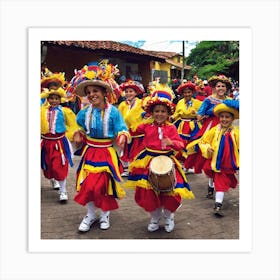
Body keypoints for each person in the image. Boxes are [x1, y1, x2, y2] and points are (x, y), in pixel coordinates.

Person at [125, 86, 194, 233]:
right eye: (156, 111)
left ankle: (169, 217)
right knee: (149, 193)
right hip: (148, 161)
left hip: (167, 161)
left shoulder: (171, 128)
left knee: (170, 194)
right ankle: (154, 218)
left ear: (168, 113)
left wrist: (172, 143)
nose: (159, 114)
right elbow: (131, 127)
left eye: (163, 111)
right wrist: (136, 108)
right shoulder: (146, 126)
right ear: (151, 112)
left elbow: (181, 144)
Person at [72, 62, 130, 232]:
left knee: (104, 186)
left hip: (106, 153)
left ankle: (105, 214)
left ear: (105, 92)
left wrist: (121, 136)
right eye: (89, 92)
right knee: (87, 184)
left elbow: (122, 128)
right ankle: (90, 214)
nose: (91, 95)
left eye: (95, 91)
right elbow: (80, 127)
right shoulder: (84, 113)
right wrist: (78, 134)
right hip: (90, 153)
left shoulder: (114, 112)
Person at [198, 103, 239, 217]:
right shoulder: (214, 130)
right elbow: (203, 141)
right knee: (212, 176)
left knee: (220, 182)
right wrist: (207, 148)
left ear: (232, 119)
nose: (224, 119)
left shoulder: (235, 133)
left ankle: (218, 205)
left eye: (227, 117)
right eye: (222, 117)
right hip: (213, 160)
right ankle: (210, 187)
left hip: (226, 163)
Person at [40, 86, 79, 202]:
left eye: (56, 98)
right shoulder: (42, 111)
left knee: (60, 166)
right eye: (51, 98)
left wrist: (75, 135)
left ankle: (63, 191)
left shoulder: (65, 111)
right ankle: (54, 179)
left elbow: (73, 125)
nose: (53, 101)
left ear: (60, 99)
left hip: (59, 143)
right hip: (46, 142)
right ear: (48, 99)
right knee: (49, 166)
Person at [172, 81, 202, 169]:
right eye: (185, 92)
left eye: (189, 92)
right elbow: (176, 114)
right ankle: (183, 162)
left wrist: (196, 113)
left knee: (192, 144)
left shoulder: (198, 103)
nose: (187, 94)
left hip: (193, 125)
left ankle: (190, 164)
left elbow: (201, 115)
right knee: (181, 144)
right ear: (182, 93)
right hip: (182, 125)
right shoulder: (180, 102)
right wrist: (171, 118)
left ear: (192, 93)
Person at [118, 80, 146, 176]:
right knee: (126, 150)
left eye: (131, 91)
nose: (128, 93)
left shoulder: (141, 103)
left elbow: (147, 114)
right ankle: (127, 169)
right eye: (126, 91)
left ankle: (138, 169)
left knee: (138, 152)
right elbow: (119, 118)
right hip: (127, 132)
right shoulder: (122, 105)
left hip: (139, 133)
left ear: (136, 92)